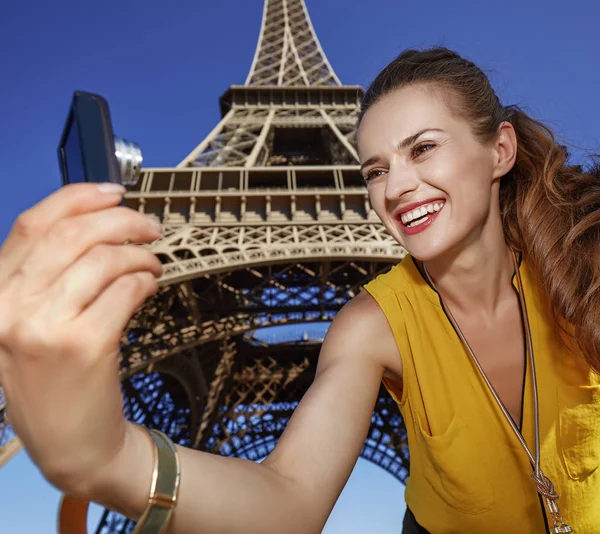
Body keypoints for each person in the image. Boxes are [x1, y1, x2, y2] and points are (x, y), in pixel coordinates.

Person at [1, 47, 599, 534]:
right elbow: (289, 499)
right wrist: (109, 457)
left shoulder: (582, 268)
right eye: (375, 171)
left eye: (423, 149)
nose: (399, 187)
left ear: (499, 151)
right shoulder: (375, 324)